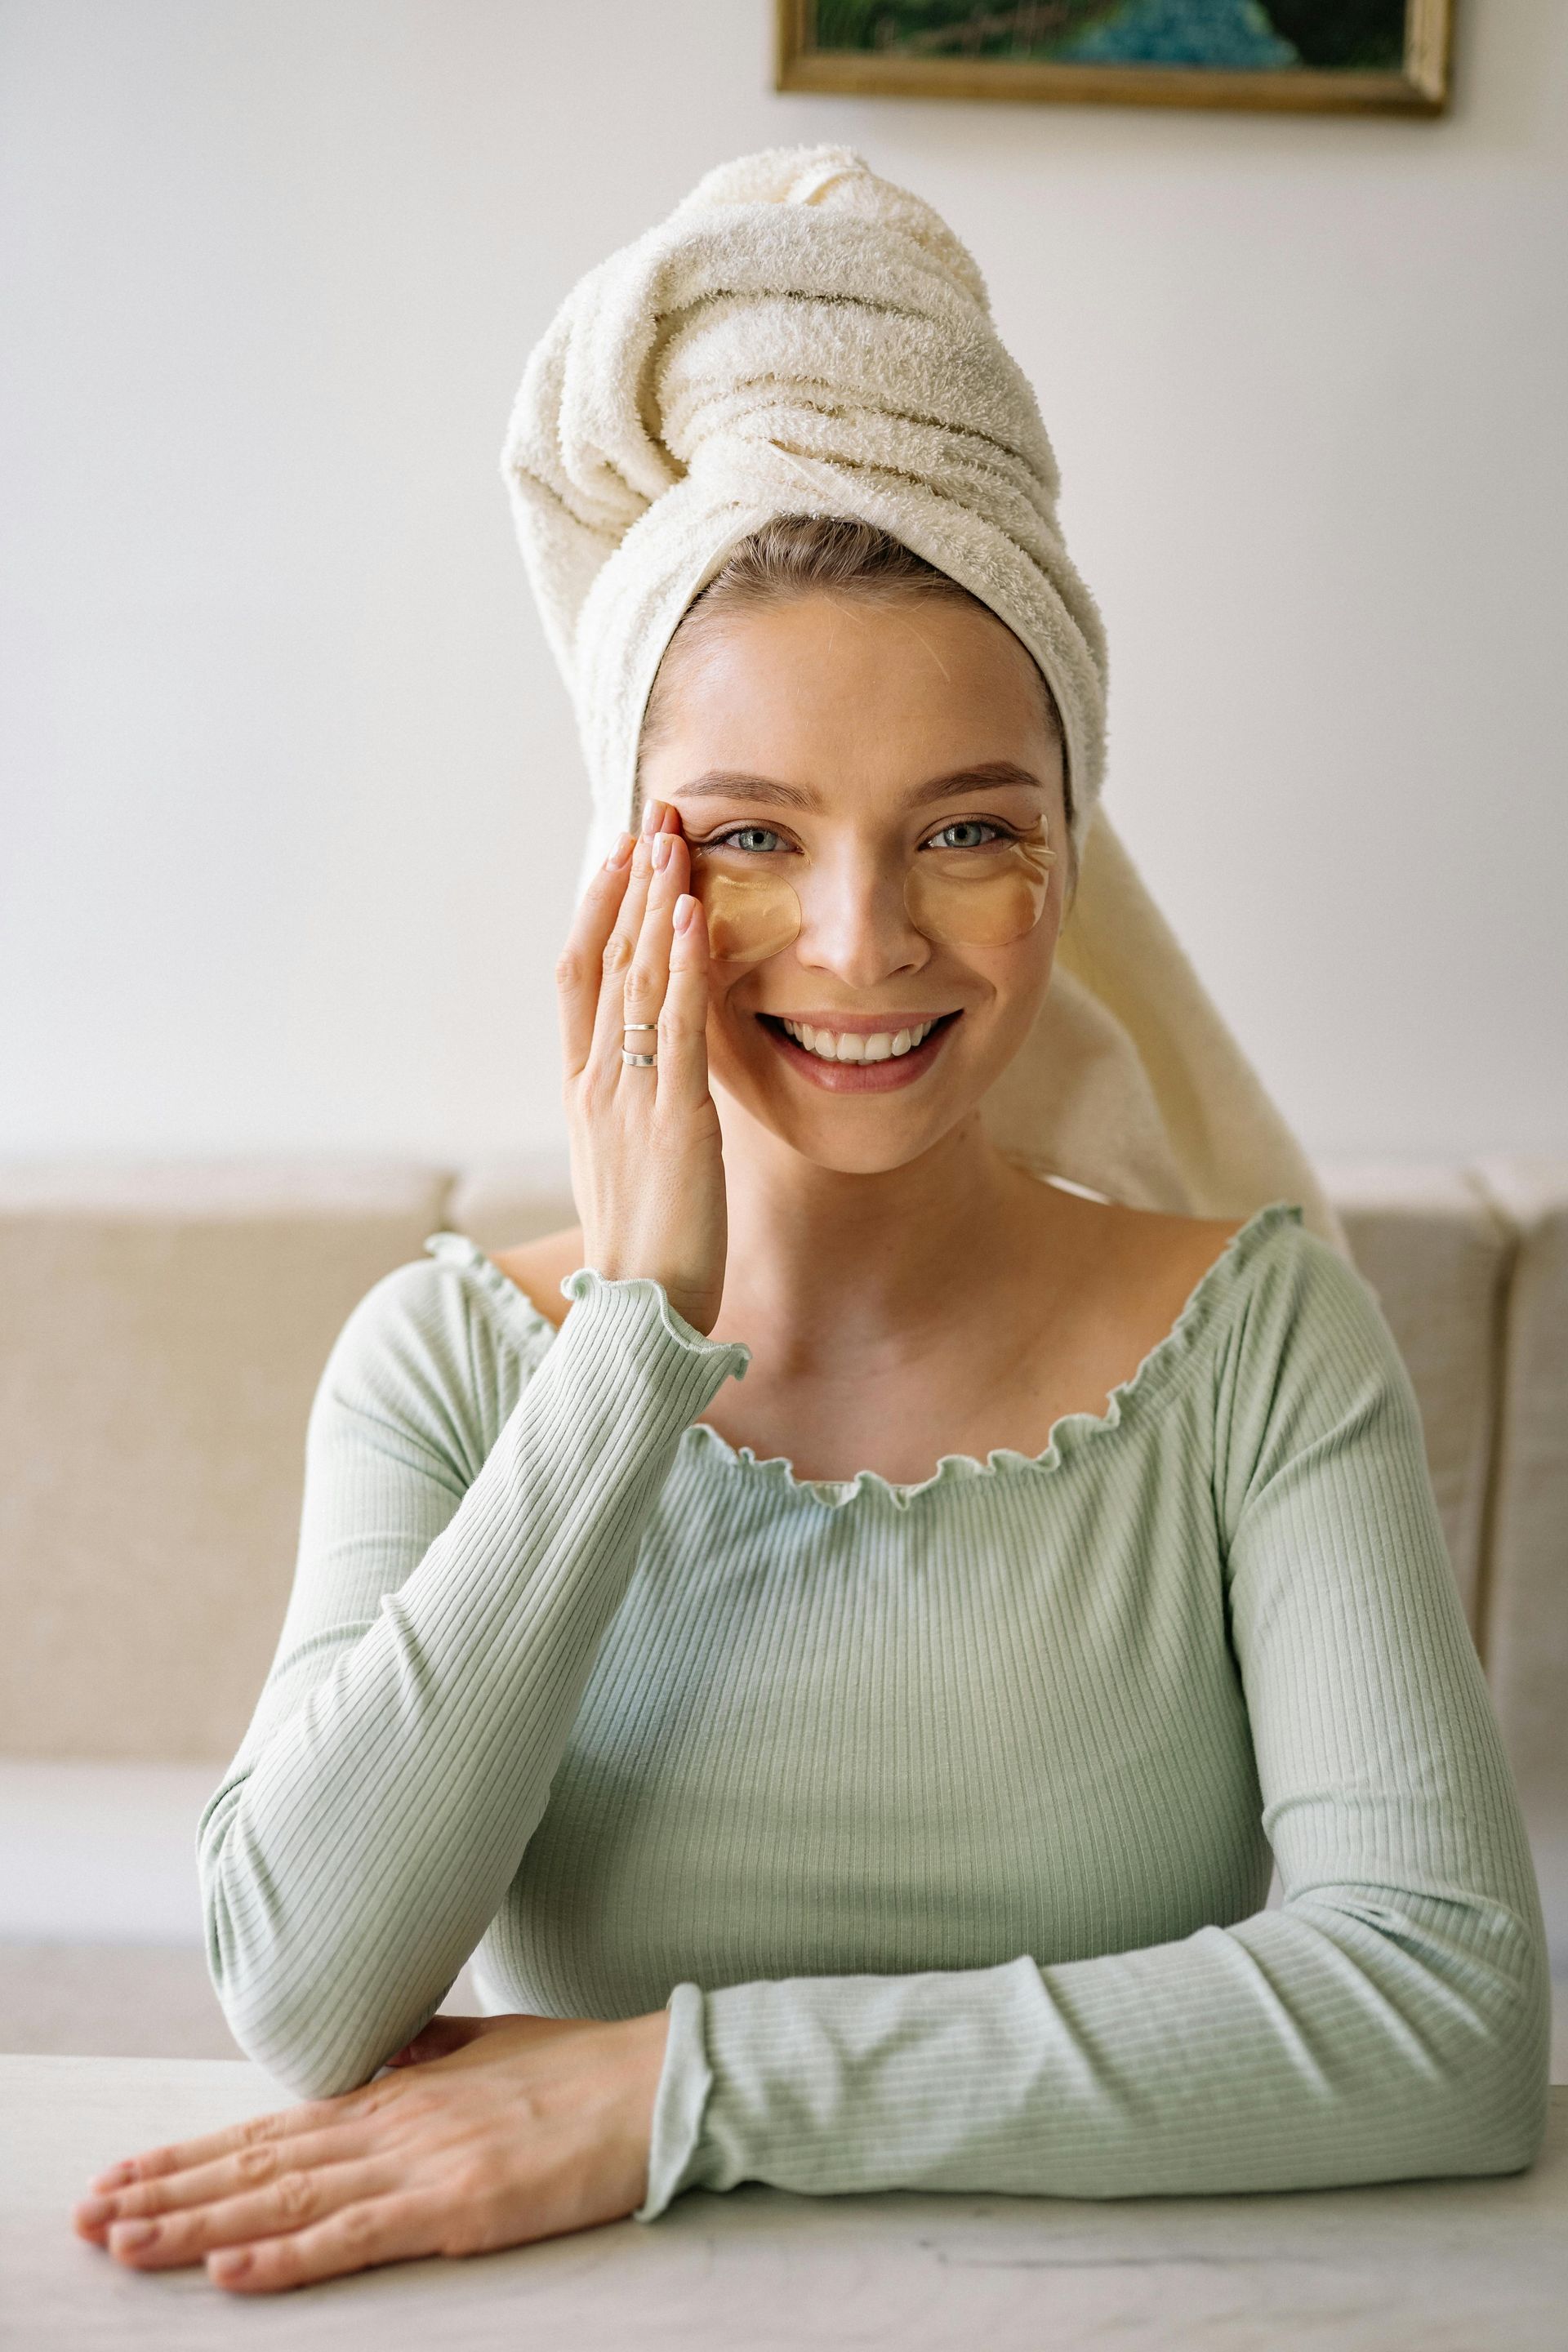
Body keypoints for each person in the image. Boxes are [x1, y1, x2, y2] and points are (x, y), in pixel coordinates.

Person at [75, 149, 1548, 2297]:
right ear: (629, 876)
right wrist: (635, 1340)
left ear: (1070, 857)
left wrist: (671, 2089)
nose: (864, 947)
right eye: (754, 835)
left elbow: (1445, 2016)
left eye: (967, 829)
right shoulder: (456, 1367)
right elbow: (304, 1995)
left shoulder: (1259, 1342)